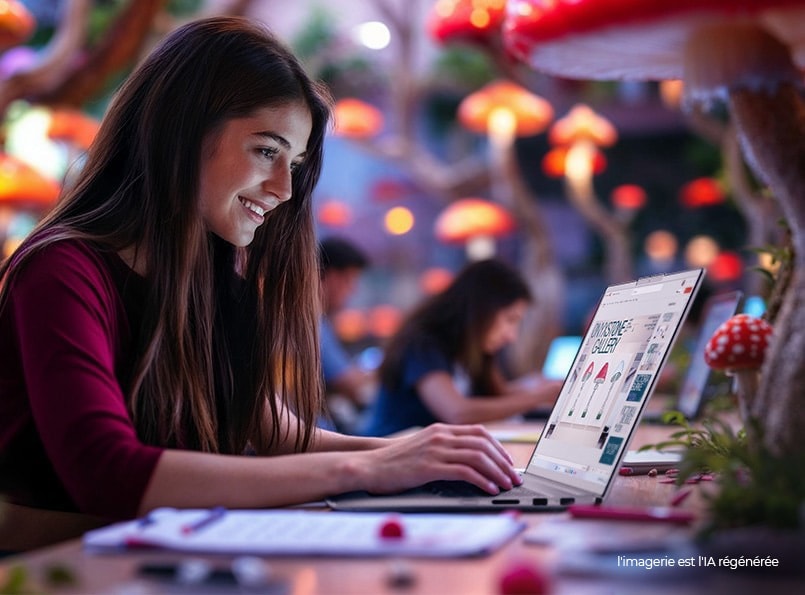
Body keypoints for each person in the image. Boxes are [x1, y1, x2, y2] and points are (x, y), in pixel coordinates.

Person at [0, 17, 521, 524]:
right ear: (179, 129)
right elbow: (108, 472)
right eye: (266, 150)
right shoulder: (61, 270)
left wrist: (412, 453)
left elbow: (267, 427)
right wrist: (369, 464)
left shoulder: (210, 274)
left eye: (292, 164)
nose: (284, 189)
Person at [363, 259, 563, 437]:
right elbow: (457, 412)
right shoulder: (424, 343)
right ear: (483, 309)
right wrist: (540, 397)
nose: (512, 336)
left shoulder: (470, 349)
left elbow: (497, 395)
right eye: (510, 320)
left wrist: (540, 387)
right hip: (391, 459)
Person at [318, 236, 376, 430]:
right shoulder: (311, 323)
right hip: (311, 440)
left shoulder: (319, 321)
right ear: (331, 276)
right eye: (349, 281)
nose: (352, 291)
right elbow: (349, 383)